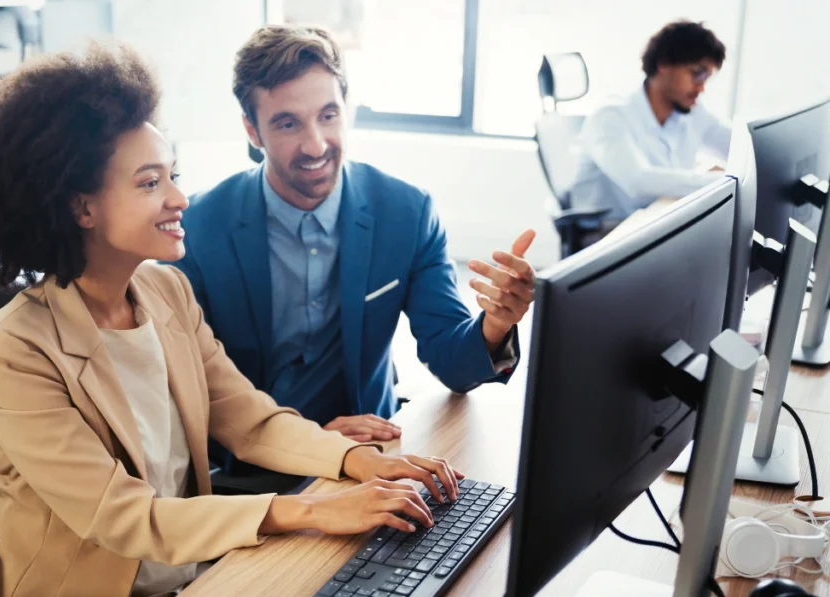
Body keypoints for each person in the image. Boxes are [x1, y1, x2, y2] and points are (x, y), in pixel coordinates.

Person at [0, 42, 464, 597]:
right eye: (151, 183)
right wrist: (313, 509)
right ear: (82, 207)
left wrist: (359, 462)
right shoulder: (12, 349)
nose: (180, 198)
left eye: (174, 174)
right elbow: (124, 517)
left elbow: (249, 421)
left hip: (194, 567)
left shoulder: (164, 292)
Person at [170, 25, 535, 477]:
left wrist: (496, 324)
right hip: (253, 470)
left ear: (348, 110)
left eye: (328, 115)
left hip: (374, 453)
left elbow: (451, 363)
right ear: (253, 130)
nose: (316, 145)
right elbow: (187, 393)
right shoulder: (197, 230)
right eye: (288, 123)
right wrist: (311, 441)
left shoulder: (406, 212)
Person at [569, 20, 730, 237]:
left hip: (657, 222)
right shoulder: (611, 117)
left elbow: (738, 146)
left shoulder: (692, 113)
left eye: (707, 78)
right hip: (611, 233)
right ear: (664, 65)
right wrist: (726, 181)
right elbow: (639, 182)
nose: (701, 87)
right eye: (697, 74)